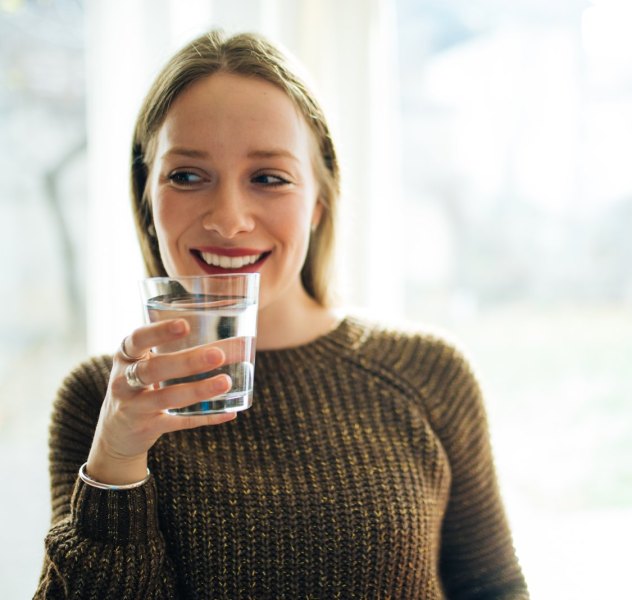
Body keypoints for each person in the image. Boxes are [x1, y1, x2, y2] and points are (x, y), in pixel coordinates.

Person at [35, 30, 529, 599]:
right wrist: (117, 463)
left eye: (268, 178)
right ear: (147, 197)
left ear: (319, 201)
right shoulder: (100, 403)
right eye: (187, 176)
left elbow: (494, 589)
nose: (228, 218)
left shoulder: (428, 372)